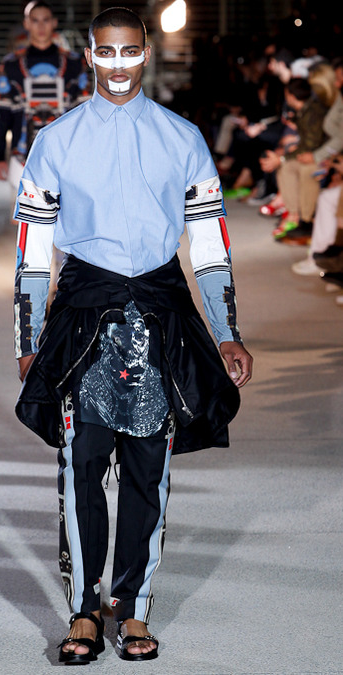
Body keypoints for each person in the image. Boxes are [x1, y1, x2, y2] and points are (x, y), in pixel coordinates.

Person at [13, 7, 253, 665]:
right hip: (82, 318)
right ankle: (85, 610)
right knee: (81, 468)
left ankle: (135, 606)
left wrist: (227, 331)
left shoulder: (184, 138)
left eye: (129, 52)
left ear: (145, 53)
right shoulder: (55, 140)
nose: (117, 65)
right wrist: (27, 339)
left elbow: (209, 242)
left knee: (151, 472)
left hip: (161, 314)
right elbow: (32, 251)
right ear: (89, 55)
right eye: (106, 53)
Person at [0, 0, 87, 188]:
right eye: (35, 20)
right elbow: (1, 113)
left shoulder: (74, 64)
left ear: (54, 22)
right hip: (22, 158)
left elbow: (84, 113)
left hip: (66, 159)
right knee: (22, 208)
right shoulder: (11, 65)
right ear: (26, 24)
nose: (41, 26)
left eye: (46, 20)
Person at [260, 77, 329, 241]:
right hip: (314, 154)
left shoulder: (313, 111)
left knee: (303, 169)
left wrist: (281, 158)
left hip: (322, 157)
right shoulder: (304, 111)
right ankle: (294, 215)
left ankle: (306, 220)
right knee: (287, 167)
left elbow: (311, 145)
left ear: (290, 95)